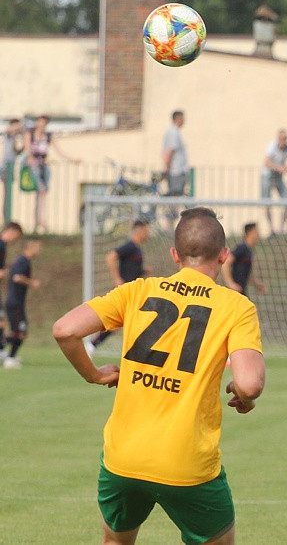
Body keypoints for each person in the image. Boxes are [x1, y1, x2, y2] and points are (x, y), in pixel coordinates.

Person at [52, 207, 266, 544]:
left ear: (174, 255)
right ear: (224, 256)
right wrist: (246, 395)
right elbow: (249, 382)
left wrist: (93, 374)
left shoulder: (136, 291)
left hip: (123, 459)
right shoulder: (236, 306)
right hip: (187, 463)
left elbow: (65, 330)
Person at [86, 221, 152, 357]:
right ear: (139, 231)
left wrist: (143, 270)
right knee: (118, 321)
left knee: (123, 323)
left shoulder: (138, 249)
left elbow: (132, 269)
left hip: (134, 292)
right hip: (125, 292)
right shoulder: (130, 246)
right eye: (146, 230)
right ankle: (91, 344)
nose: (148, 234)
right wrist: (117, 278)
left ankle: (93, 344)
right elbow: (110, 257)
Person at [23, 114, 80, 233]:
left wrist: (72, 160)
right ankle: (39, 220)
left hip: (43, 165)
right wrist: (29, 159)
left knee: (42, 192)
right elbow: (28, 150)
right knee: (41, 189)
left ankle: (38, 220)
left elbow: (59, 151)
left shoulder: (48, 137)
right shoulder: (30, 134)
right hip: (33, 165)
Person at [2, 240, 42, 369]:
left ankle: (10, 356)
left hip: (16, 302)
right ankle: (9, 358)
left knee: (20, 331)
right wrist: (32, 283)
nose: (39, 251)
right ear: (32, 247)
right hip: (15, 303)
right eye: (38, 248)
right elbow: (17, 277)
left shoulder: (23, 260)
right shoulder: (23, 261)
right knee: (20, 331)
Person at [262, 128, 287, 236]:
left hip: (279, 178)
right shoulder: (272, 146)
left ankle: (282, 229)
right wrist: (279, 168)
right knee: (266, 202)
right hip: (267, 176)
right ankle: (272, 229)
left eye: (285, 138)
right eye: (281, 138)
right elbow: (266, 162)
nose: (283, 141)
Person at [222, 222, 267, 296]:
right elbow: (226, 263)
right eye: (257, 231)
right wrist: (231, 284)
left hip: (241, 290)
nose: (259, 234)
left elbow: (244, 272)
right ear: (251, 233)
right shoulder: (242, 248)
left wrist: (257, 284)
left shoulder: (249, 250)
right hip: (235, 292)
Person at [0, 221, 23, 358]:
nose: (16, 240)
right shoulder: (1, 244)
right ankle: (2, 349)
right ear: (12, 231)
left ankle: (2, 348)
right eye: (17, 236)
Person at [1, 119, 22, 222]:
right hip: (6, 168)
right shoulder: (9, 135)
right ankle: (6, 219)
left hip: (10, 168)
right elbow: (8, 129)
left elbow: (16, 152)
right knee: (6, 194)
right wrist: (23, 124)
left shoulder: (14, 138)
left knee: (7, 194)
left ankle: (6, 219)